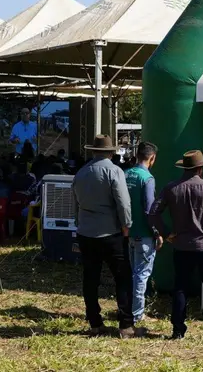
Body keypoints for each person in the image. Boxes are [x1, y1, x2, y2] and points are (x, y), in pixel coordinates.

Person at [149, 150, 203, 342]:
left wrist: (167, 233)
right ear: (200, 169)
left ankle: (178, 330)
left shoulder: (171, 188)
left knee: (180, 288)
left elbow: (153, 213)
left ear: (184, 168)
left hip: (181, 245)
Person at [72, 135, 143, 339]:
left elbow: (74, 201)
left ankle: (95, 323)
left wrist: (79, 223)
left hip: (86, 232)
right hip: (110, 232)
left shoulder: (81, 172)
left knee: (90, 278)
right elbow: (123, 202)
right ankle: (126, 325)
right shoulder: (114, 171)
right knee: (122, 278)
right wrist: (126, 225)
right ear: (111, 152)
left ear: (93, 151)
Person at [124, 142, 162, 323]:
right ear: (152, 158)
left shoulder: (126, 174)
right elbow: (149, 209)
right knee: (141, 275)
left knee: (133, 273)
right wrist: (156, 231)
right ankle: (137, 314)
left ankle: (128, 308)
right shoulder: (147, 178)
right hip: (144, 234)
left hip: (129, 232)